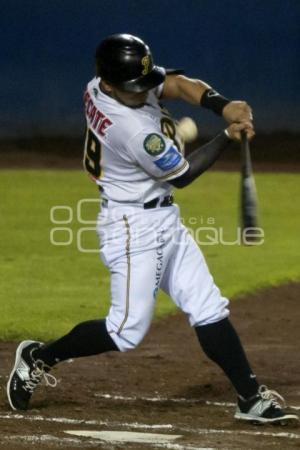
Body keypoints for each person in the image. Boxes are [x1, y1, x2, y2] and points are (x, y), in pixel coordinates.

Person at [7, 33, 298, 425]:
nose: (142, 90)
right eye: (134, 87)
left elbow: (176, 84)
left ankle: (251, 398)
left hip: (162, 217)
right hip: (132, 227)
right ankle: (38, 357)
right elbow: (182, 174)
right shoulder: (130, 131)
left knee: (207, 305)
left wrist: (221, 104)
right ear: (110, 84)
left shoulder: (99, 86)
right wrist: (227, 135)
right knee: (126, 331)